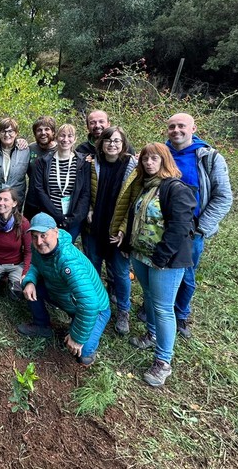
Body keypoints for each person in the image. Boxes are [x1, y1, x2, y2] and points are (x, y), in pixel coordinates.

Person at [120, 143, 196, 387]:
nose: (149, 163)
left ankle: (163, 361)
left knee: (163, 308)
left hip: (166, 261)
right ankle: (151, 334)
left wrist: (162, 257)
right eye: (145, 160)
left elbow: (180, 227)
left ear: (165, 160)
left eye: (154, 159)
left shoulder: (176, 188)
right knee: (150, 299)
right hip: (142, 255)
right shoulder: (146, 187)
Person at [166, 113, 233, 338]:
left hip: (192, 229)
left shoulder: (209, 157)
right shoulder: (162, 153)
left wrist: (201, 227)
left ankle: (181, 313)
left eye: (181, 126)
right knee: (160, 267)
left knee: (186, 273)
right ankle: (155, 308)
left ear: (193, 128)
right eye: (172, 126)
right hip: (161, 226)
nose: (176, 130)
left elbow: (223, 197)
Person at [17, 214, 110, 367]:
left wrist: (77, 337)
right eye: (35, 236)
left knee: (83, 354)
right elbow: (35, 265)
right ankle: (41, 325)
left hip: (96, 308)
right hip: (64, 296)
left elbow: (90, 303)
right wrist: (30, 281)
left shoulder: (68, 261)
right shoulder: (39, 248)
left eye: (43, 235)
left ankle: (85, 331)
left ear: (56, 232)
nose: (39, 242)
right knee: (31, 287)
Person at [82, 126, 139, 335]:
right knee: (93, 268)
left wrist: (125, 229)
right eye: (108, 140)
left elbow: (135, 201)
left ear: (123, 144)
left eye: (116, 141)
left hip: (117, 231)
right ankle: (96, 304)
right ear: (101, 143)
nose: (112, 144)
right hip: (94, 227)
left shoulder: (133, 167)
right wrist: (88, 209)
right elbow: (84, 189)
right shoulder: (91, 163)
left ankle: (123, 311)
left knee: (121, 272)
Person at [31, 123, 91, 242]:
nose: (65, 139)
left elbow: (85, 193)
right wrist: (57, 216)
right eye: (62, 136)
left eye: (70, 136)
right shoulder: (43, 162)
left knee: (66, 252)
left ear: (75, 139)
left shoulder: (83, 162)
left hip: (73, 219)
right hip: (50, 217)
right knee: (49, 250)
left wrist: (74, 219)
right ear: (56, 137)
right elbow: (39, 189)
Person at [0, 118, 30, 210]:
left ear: (16, 133)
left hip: (15, 198)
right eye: (3, 131)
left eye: (10, 131)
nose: (7, 135)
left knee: (14, 223)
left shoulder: (25, 150)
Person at [24, 116, 57, 219]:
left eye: (47, 129)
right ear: (35, 133)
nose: (43, 133)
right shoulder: (30, 149)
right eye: (39, 130)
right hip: (32, 202)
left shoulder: (61, 150)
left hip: (53, 203)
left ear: (53, 132)